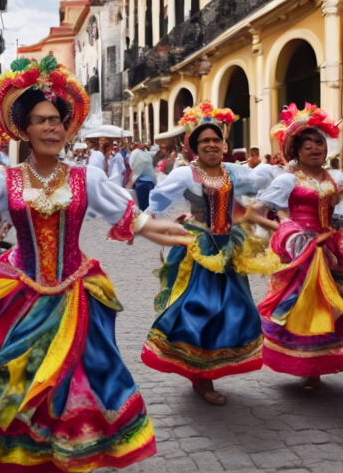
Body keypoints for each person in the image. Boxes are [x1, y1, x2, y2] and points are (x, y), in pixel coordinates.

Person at [0, 56, 189, 472]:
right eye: (41, 120)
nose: (51, 127)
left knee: (79, 377)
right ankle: (27, 452)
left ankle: (71, 450)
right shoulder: (5, 180)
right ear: (25, 129)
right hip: (22, 294)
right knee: (19, 375)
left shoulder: (85, 178)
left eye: (57, 120)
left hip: (75, 291)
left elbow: (136, 220)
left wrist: (175, 231)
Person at [142, 101, 279, 405]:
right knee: (198, 310)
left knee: (234, 309)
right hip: (199, 251)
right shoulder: (184, 174)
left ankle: (208, 368)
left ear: (224, 144)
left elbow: (262, 180)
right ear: (195, 147)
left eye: (216, 139)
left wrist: (287, 168)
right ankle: (202, 378)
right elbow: (157, 197)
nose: (211, 144)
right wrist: (162, 226)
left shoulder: (233, 171)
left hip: (229, 249)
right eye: (204, 141)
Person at [250, 103, 343, 388]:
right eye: (308, 146)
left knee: (333, 304)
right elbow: (255, 211)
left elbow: (335, 212)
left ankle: (326, 360)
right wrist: (288, 232)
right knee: (304, 307)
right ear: (296, 152)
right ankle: (308, 366)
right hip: (301, 254)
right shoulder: (288, 179)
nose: (316, 149)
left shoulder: (334, 179)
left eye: (320, 143)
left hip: (330, 250)